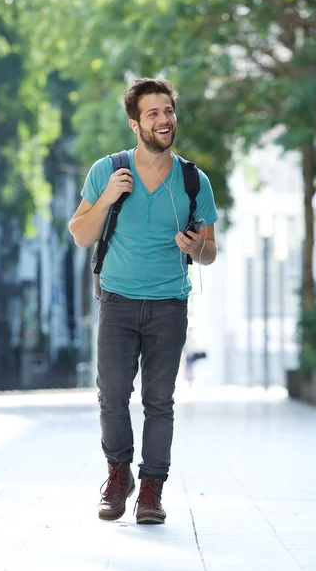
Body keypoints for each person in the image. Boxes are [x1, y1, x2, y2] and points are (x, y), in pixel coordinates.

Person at [68, 78, 218, 524]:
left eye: (168, 111)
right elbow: (80, 235)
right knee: (112, 396)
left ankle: (151, 488)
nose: (164, 120)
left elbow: (210, 252)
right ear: (136, 123)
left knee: (160, 401)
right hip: (116, 303)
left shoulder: (194, 180)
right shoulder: (108, 171)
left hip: (169, 305)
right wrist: (109, 196)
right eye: (153, 113)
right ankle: (118, 476)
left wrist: (195, 249)